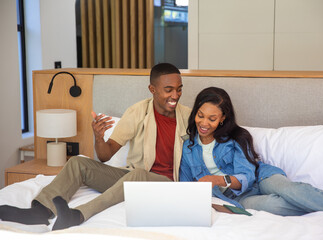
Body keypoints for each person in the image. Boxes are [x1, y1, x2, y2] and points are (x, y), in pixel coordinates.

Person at [0, 63, 191, 230]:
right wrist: (99, 138)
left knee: (137, 175)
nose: (175, 95)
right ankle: (40, 211)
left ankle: (77, 215)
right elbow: (106, 156)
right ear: (152, 89)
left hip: (166, 184)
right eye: (169, 89)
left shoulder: (188, 117)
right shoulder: (138, 112)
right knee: (78, 163)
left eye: (179, 89)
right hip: (133, 177)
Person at [179, 86, 323, 224]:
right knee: (272, 206)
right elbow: (186, 188)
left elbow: (247, 176)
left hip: (262, 177)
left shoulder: (236, 138)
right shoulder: (188, 147)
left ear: (223, 118)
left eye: (212, 119)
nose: (204, 123)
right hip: (239, 198)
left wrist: (218, 180)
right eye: (200, 115)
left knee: (291, 191)